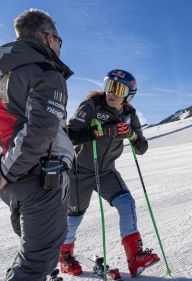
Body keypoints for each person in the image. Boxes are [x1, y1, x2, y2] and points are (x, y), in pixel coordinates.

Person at [59, 69, 159, 277]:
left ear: (128, 95)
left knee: (126, 203)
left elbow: (141, 148)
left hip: (106, 171)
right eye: (108, 86)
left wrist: (130, 134)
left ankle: (135, 257)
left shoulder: (130, 115)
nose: (111, 92)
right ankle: (65, 257)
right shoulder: (92, 106)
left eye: (118, 88)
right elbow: (69, 135)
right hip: (80, 171)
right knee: (74, 218)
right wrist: (98, 131)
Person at [0, 8, 74, 281]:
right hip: (39, 177)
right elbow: (39, 131)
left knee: (30, 253)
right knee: (34, 266)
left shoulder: (6, 70)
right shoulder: (45, 71)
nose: (59, 47)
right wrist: (5, 173)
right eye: (59, 40)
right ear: (47, 37)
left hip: (14, 180)